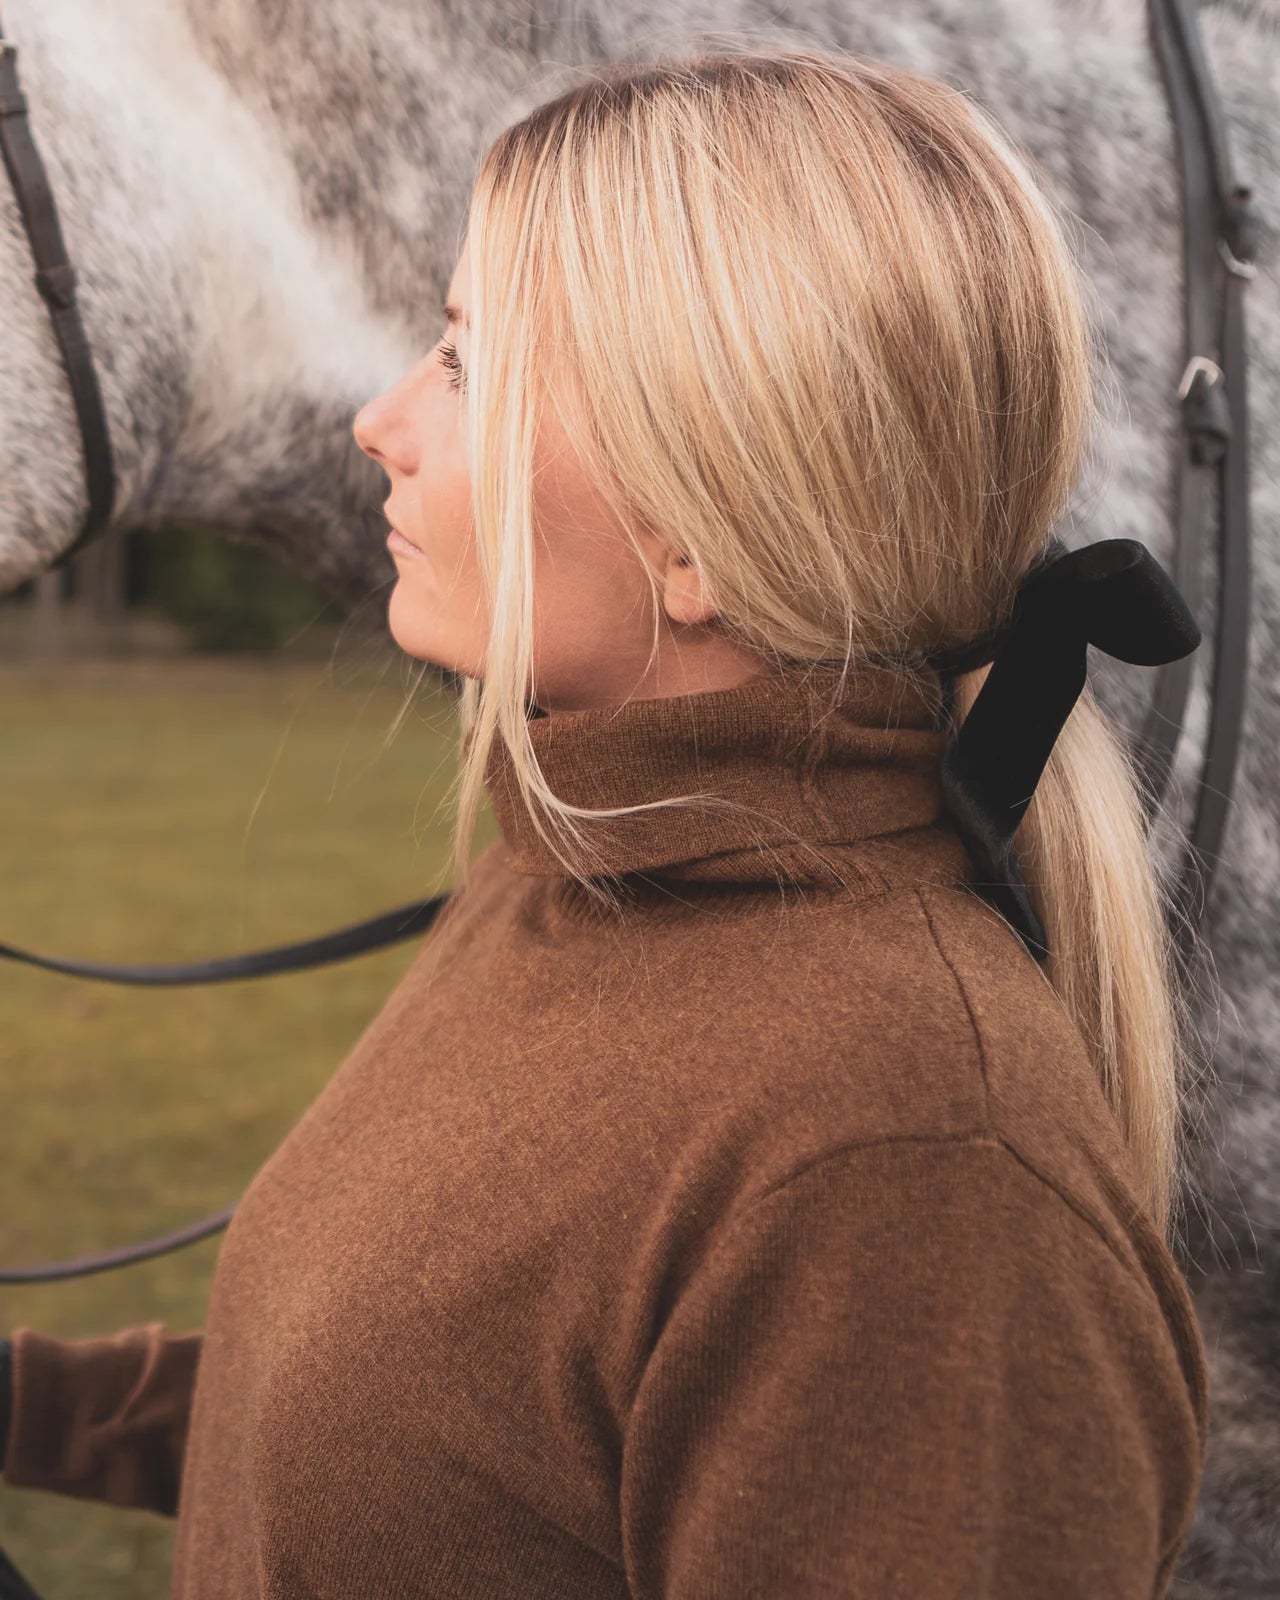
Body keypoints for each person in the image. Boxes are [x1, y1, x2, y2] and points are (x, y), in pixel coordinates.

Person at [1, 42, 1210, 1597]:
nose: (383, 420)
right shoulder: (572, 880)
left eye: (463, 361)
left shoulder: (902, 1170)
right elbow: (405, 1424)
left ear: (695, 529)